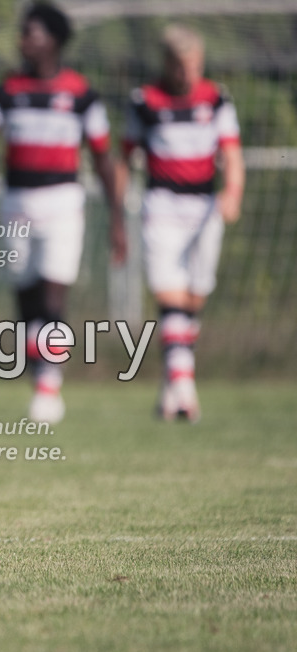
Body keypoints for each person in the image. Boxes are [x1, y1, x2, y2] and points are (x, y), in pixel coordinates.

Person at [0, 2, 124, 424]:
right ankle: (42, 373)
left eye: (31, 33)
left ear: (53, 39)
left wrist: (118, 219)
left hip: (63, 203)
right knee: (26, 297)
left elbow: (104, 159)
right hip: (16, 204)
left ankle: (48, 387)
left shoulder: (81, 94)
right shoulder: (6, 92)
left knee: (53, 294)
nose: (23, 40)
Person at [120, 24, 244, 422]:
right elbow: (124, 157)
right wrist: (119, 209)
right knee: (168, 293)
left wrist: (232, 194)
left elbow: (232, 154)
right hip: (161, 204)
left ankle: (173, 383)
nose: (187, 73)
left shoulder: (217, 98)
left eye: (194, 65)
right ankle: (186, 389)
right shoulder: (145, 100)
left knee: (193, 297)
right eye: (180, 66)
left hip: (204, 207)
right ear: (168, 64)